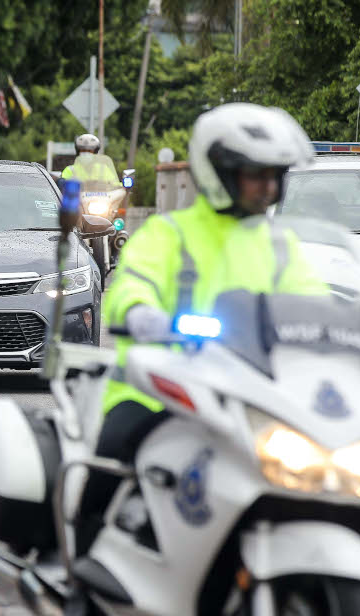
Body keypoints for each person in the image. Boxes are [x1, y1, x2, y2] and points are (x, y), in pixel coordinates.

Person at [75, 103, 320, 556]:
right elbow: (130, 289)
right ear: (220, 172)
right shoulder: (169, 235)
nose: (267, 186)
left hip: (255, 394)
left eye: (274, 175)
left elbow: (315, 304)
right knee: (110, 457)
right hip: (160, 390)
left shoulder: (283, 246)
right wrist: (143, 315)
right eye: (254, 174)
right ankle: (83, 565)